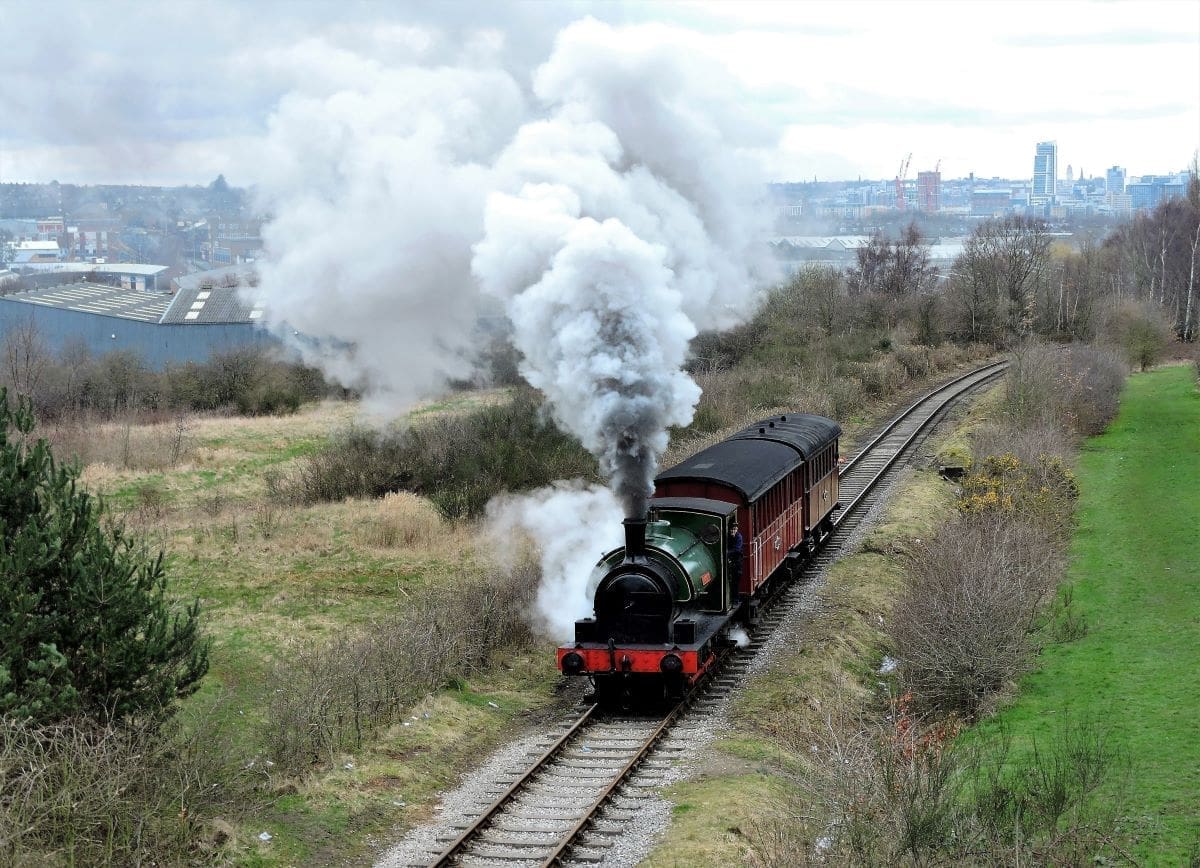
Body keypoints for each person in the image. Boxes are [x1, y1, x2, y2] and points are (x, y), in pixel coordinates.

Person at [728, 521, 744, 593]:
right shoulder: (729, 537)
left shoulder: (739, 537)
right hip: (730, 560)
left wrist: (727, 553)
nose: (733, 531)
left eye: (734, 529)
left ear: (737, 529)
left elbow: (737, 549)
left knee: (736, 581)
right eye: (732, 529)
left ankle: (736, 599)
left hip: (737, 561)